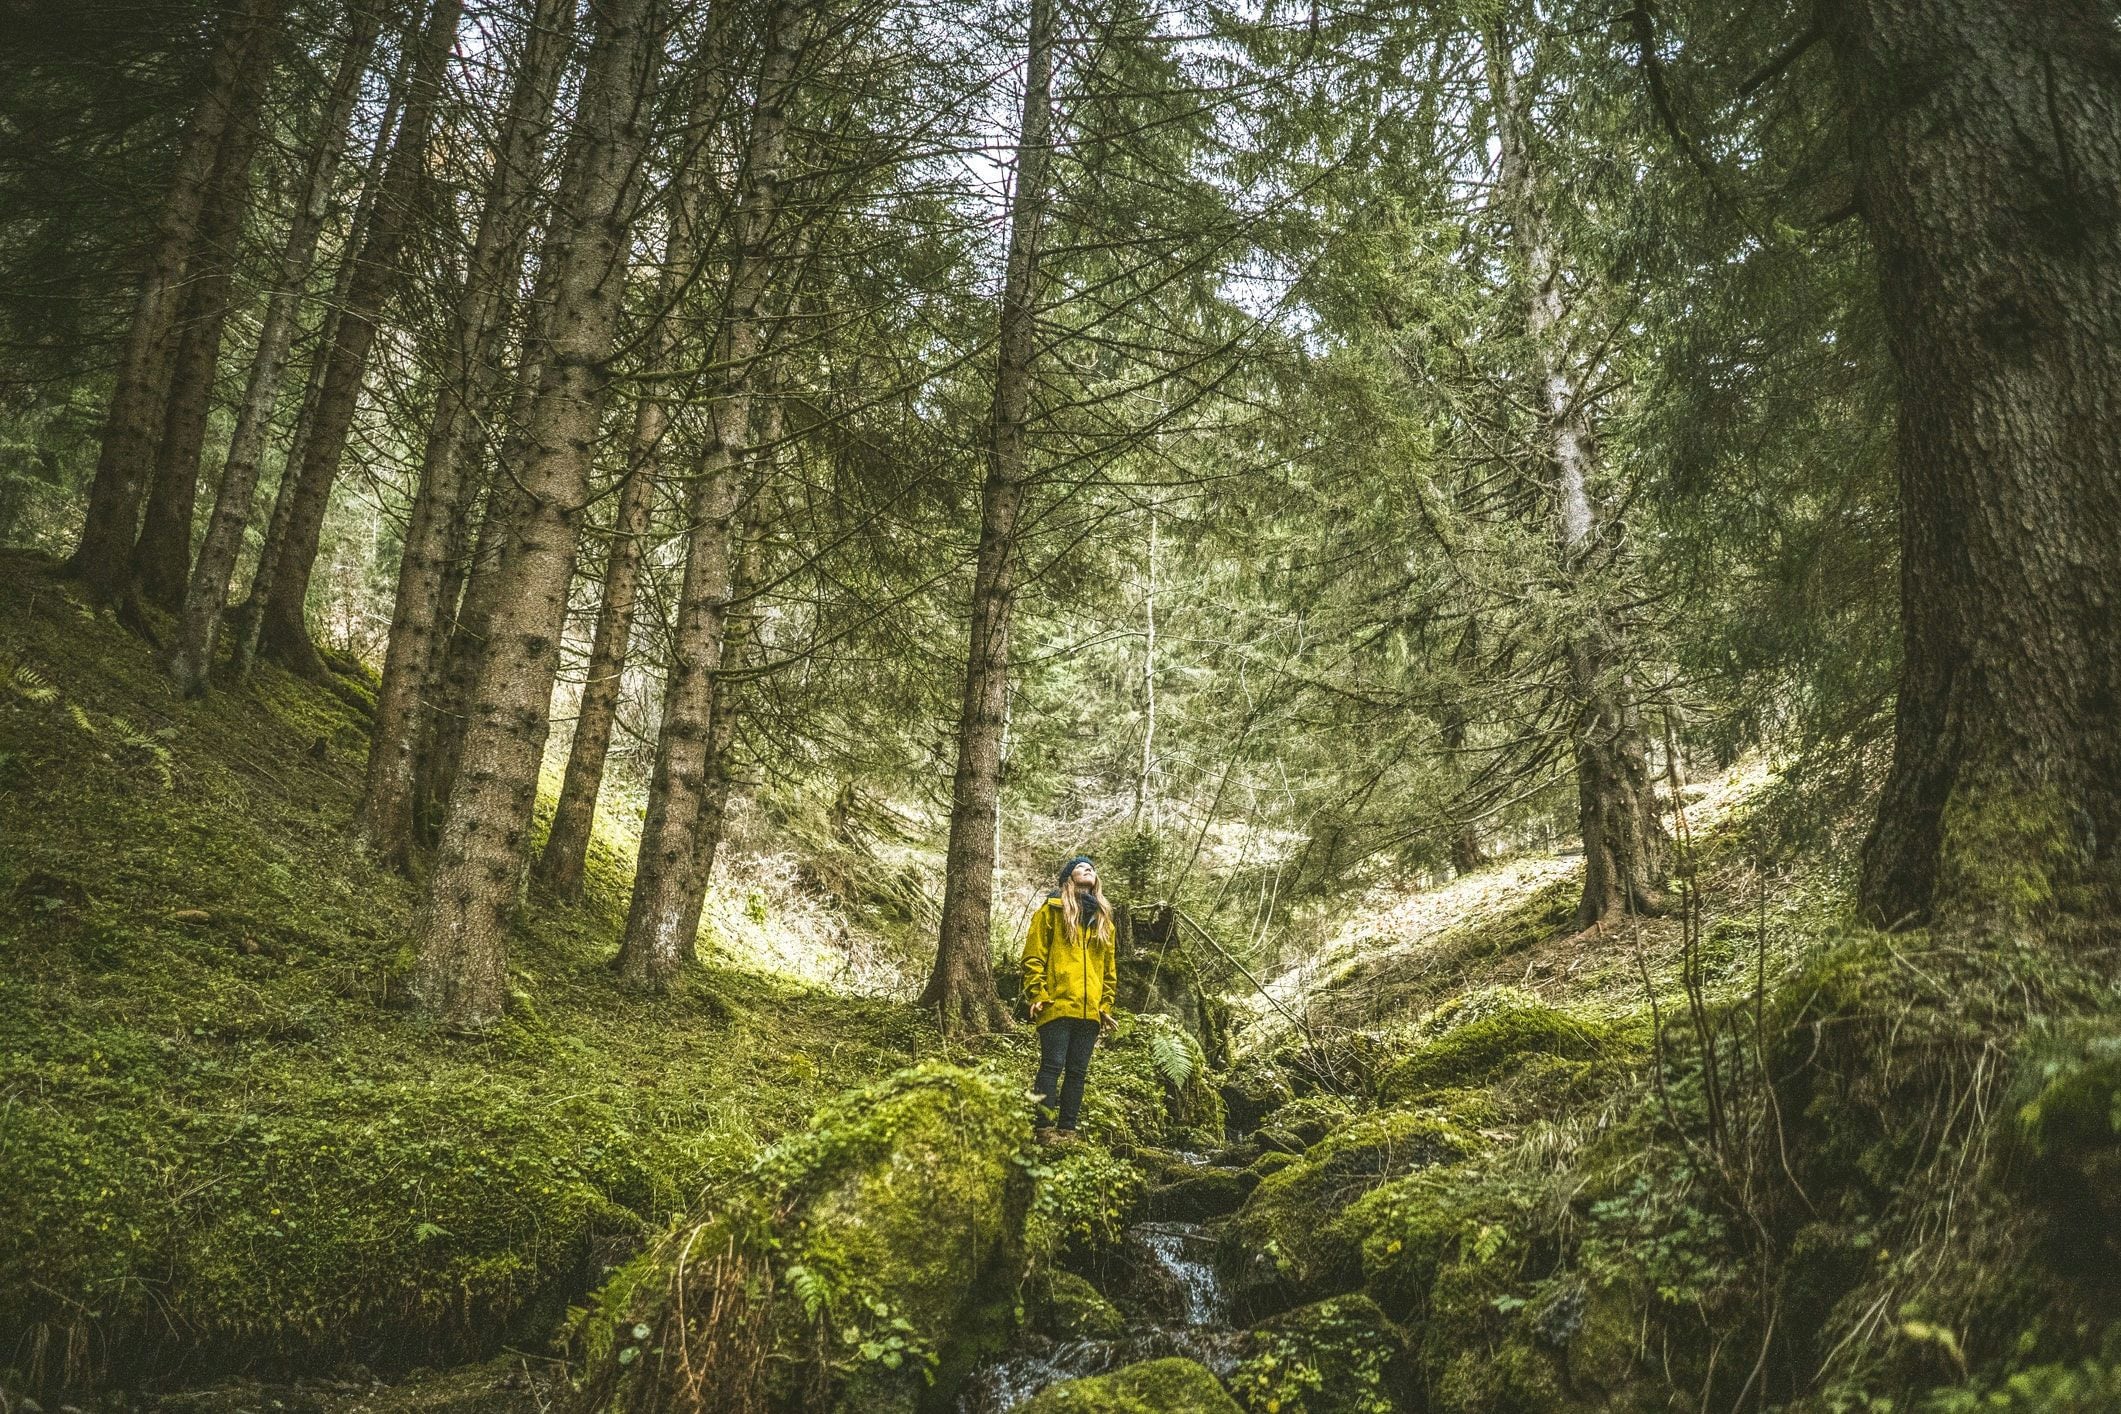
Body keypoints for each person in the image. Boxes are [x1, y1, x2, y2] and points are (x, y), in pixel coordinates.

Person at [1021, 854, 1118, 1142]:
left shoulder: (1104, 922)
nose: (1088, 869)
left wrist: (1104, 1005)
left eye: (1091, 867)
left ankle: (1068, 1130)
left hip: (1090, 1013)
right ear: (1068, 878)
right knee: (1052, 1066)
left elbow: (1109, 971)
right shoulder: (1051, 911)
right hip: (1057, 1004)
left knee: (1077, 1071)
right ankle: (1043, 1129)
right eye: (1080, 866)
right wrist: (1038, 993)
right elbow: (1033, 956)